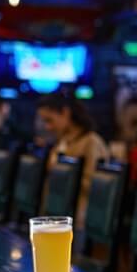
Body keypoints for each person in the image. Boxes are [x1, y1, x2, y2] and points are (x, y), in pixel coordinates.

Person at [36, 93, 109, 228]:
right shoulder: (62, 141)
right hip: (54, 216)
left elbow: (95, 187)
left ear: (65, 113)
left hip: (76, 222)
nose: (47, 127)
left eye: (49, 120)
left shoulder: (91, 142)